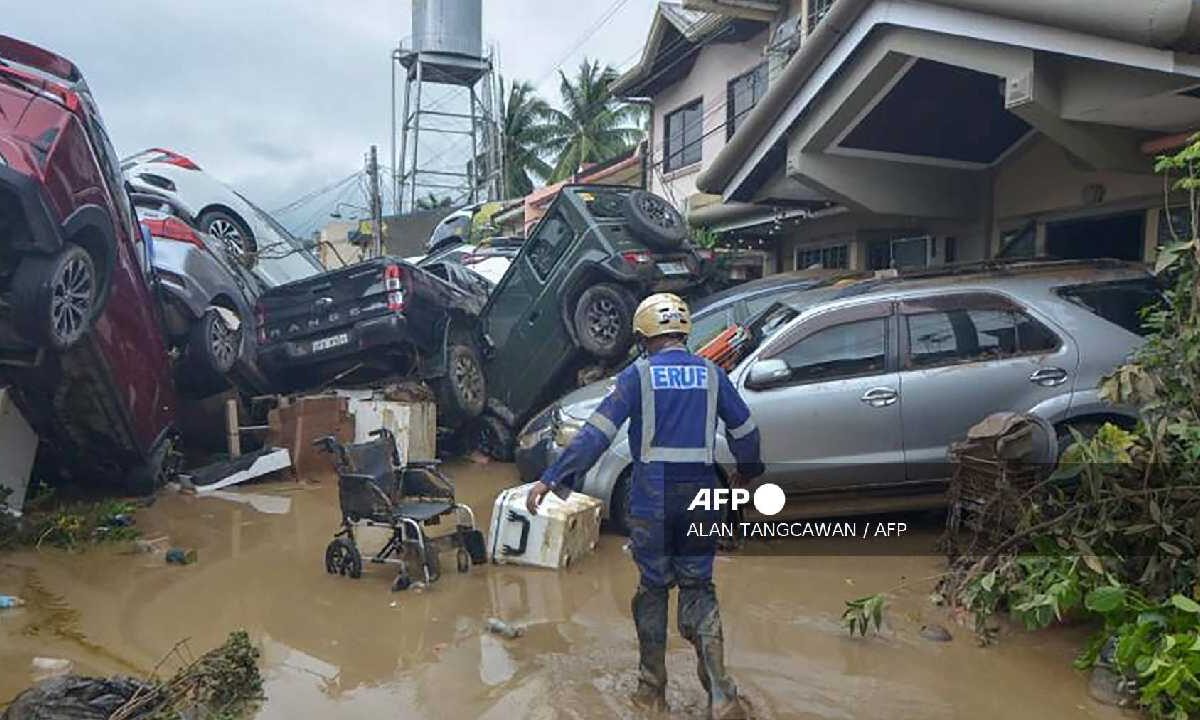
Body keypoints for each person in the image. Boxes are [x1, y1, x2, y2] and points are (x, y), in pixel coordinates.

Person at [526, 293, 764, 719]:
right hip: (701, 498)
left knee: (653, 590)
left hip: (652, 497)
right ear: (683, 331)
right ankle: (722, 696)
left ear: (643, 335)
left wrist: (553, 477)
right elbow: (746, 430)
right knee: (699, 589)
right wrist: (747, 471)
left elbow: (596, 434)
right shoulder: (712, 373)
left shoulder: (637, 376)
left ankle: (651, 693)